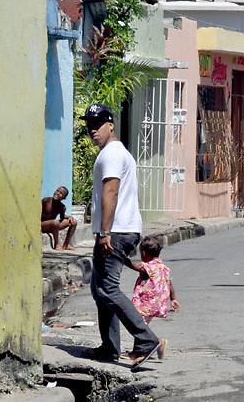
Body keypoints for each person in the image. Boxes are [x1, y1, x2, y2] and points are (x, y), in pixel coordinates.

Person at [80, 103, 165, 371]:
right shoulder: (113, 152)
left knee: (108, 288)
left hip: (115, 230)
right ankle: (110, 347)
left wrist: (104, 231)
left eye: (98, 123)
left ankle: (145, 340)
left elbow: (111, 192)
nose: (93, 128)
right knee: (99, 289)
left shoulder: (113, 154)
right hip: (119, 229)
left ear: (111, 125)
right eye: (89, 124)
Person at [131, 236, 181, 325]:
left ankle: (154, 339)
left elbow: (137, 267)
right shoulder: (163, 267)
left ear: (143, 253)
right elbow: (169, 283)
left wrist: (123, 258)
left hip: (145, 304)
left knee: (138, 327)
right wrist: (173, 299)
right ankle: (147, 339)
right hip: (156, 304)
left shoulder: (150, 267)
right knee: (142, 326)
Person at [41, 186, 78, 251]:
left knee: (73, 222)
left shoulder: (62, 207)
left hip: (53, 226)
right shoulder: (46, 201)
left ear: (64, 198)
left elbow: (62, 217)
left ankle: (65, 245)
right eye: (57, 191)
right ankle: (57, 244)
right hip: (42, 225)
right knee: (55, 222)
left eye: (61, 193)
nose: (58, 193)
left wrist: (69, 217)